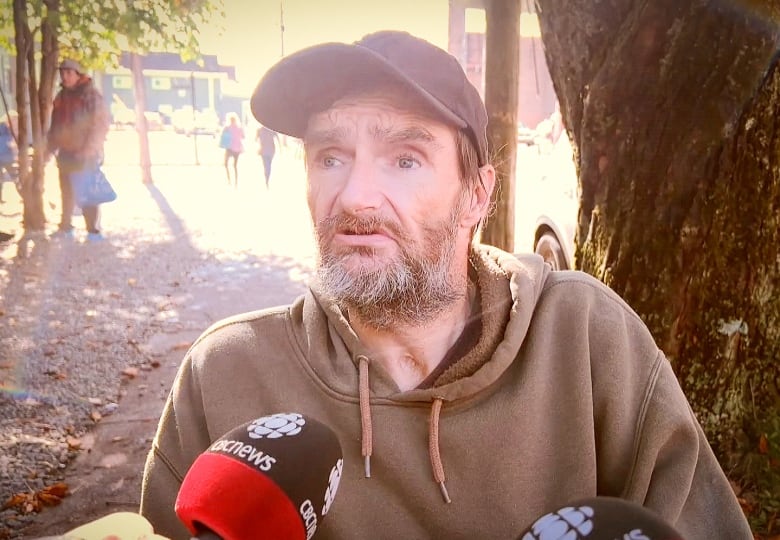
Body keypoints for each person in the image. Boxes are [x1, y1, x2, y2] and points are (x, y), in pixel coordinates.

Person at [140, 31, 752, 539]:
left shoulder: (589, 342)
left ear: (476, 195)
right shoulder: (227, 375)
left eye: (405, 159)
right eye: (330, 156)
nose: (353, 196)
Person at [46, 58, 110, 241]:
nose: (64, 76)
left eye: (68, 73)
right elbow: (56, 124)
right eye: (62, 73)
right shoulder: (61, 96)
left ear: (78, 74)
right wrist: (50, 147)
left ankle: (93, 231)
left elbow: (100, 123)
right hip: (66, 152)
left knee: (88, 193)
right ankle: (66, 227)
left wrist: (89, 149)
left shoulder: (91, 95)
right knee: (66, 190)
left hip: (86, 154)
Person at [219, 113, 244, 187]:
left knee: (226, 164)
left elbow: (223, 137)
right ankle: (236, 182)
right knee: (235, 166)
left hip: (229, 148)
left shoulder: (227, 128)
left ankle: (229, 180)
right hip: (237, 149)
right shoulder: (239, 128)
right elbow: (243, 136)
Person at [256, 123, 279, 187]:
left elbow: (255, 140)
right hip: (269, 150)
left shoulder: (260, 130)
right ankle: (267, 179)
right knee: (268, 166)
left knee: (267, 166)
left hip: (266, 150)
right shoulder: (271, 129)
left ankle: (267, 179)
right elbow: (278, 139)